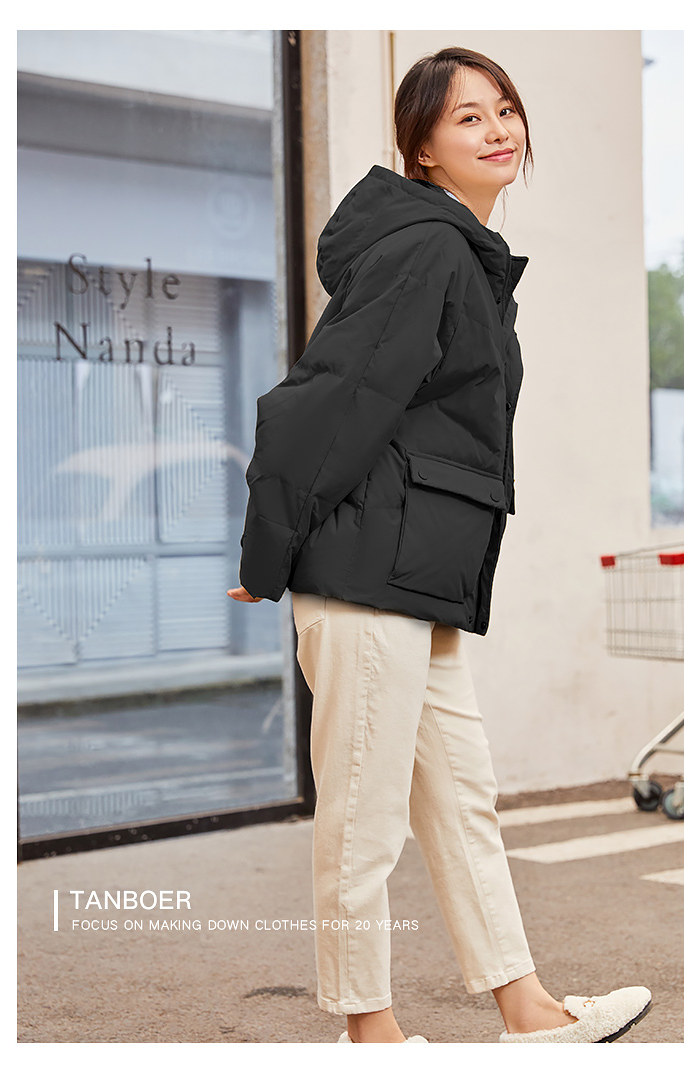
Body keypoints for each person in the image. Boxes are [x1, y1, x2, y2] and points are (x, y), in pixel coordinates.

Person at [228, 46, 652, 1044]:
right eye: (467, 117)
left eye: (504, 109)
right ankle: (367, 1033)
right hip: (367, 570)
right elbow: (332, 399)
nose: (498, 129)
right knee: (364, 819)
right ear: (420, 149)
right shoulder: (427, 249)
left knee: (461, 801)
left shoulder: (460, 252)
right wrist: (268, 547)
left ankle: (528, 1009)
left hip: (416, 576)